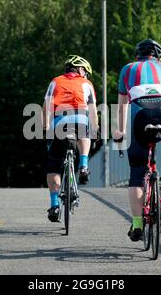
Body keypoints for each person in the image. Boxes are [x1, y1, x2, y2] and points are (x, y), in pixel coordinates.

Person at [114, 39, 161, 241]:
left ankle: (137, 224)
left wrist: (120, 131)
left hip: (140, 116)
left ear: (138, 56)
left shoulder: (127, 69)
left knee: (137, 172)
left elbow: (122, 106)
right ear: (158, 56)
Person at [43, 55, 99, 222]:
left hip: (59, 122)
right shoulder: (86, 84)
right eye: (86, 72)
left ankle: (54, 206)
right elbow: (93, 111)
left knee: (53, 166)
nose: (86, 76)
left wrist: (46, 130)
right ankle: (83, 165)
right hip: (80, 119)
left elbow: (46, 107)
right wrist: (95, 131)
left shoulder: (55, 82)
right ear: (81, 69)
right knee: (86, 132)